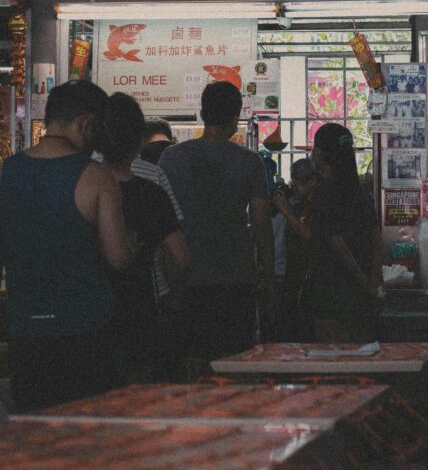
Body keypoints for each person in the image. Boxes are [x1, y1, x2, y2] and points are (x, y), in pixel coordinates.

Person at [0, 81, 134, 412]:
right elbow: (118, 258)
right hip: (87, 333)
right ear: (86, 124)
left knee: (36, 429)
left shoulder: (1, 175)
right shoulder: (97, 177)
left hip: (26, 334)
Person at [159, 81, 274, 370]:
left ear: (202, 113)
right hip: (235, 275)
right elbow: (261, 223)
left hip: (185, 274)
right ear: (236, 118)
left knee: (192, 360)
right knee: (235, 359)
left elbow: (162, 221)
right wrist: (269, 274)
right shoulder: (250, 162)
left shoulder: (171, 158)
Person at [93, 93, 189, 383]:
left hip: (90, 311)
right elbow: (179, 257)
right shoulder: (153, 183)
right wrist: (172, 298)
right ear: (139, 140)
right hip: (142, 306)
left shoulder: (82, 181)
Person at [310, 122, 383, 344]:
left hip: (331, 292)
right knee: (363, 355)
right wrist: (373, 281)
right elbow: (376, 237)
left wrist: (364, 282)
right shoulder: (361, 192)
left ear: (319, 154)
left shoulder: (322, 192)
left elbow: (337, 243)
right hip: (362, 298)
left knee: (335, 358)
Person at [272, 158, 319, 342]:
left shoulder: (316, 204)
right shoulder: (300, 203)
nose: (294, 188)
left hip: (308, 277)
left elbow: (307, 234)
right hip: (294, 275)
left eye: (297, 183)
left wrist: (285, 211)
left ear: (312, 181)